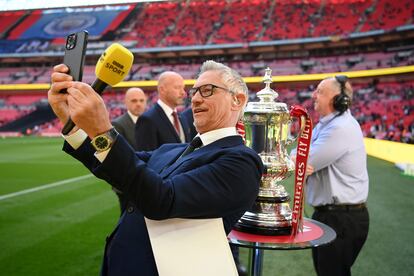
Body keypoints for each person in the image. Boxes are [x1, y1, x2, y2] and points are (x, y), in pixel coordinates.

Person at [47, 60, 263, 276]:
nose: (195, 98)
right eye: (194, 92)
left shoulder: (241, 162)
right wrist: (71, 122)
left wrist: (104, 130)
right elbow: (113, 163)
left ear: (237, 99)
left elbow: (162, 199)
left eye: (207, 91)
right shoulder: (171, 150)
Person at [293, 75, 369, 276]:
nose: (314, 95)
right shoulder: (325, 125)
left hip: (342, 217)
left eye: (320, 91)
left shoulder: (340, 128)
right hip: (331, 214)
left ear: (338, 100)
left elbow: (303, 158)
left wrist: (302, 160)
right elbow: (301, 154)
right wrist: (301, 159)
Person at [135, 71, 191, 151]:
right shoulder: (147, 119)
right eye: (177, 87)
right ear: (162, 89)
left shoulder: (182, 118)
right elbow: (146, 157)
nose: (183, 93)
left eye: (183, 88)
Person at [111, 87, 147, 213]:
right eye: (134, 101)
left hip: (147, 182)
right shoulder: (117, 125)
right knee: (128, 222)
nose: (138, 104)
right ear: (126, 102)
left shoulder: (149, 122)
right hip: (127, 185)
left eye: (142, 101)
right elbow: (118, 158)